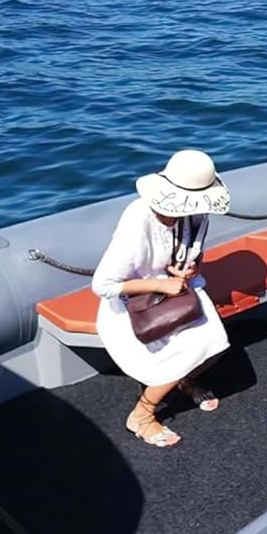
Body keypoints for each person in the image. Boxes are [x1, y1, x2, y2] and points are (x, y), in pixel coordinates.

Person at [92, 149, 232, 447]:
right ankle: (142, 415)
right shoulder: (137, 222)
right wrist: (161, 284)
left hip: (178, 293)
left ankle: (183, 379)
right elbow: (103, 285)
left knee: (215, 342)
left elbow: (194, 254)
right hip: (133, 304)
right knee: (195, 345)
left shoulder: (196, 214)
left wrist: (192, 268)